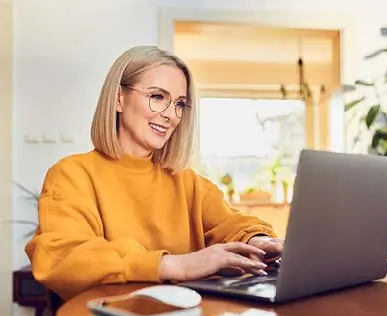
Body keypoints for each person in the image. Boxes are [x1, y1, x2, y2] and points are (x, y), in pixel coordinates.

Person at [25, 45, 283, 300]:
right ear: (118, 98)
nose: (171, 115)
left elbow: (233, 224)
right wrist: (176, 265)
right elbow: (63, 257)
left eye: (180, 104)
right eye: (158, 97)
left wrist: (258, 241)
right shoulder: (72, 174)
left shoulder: (187, 182)